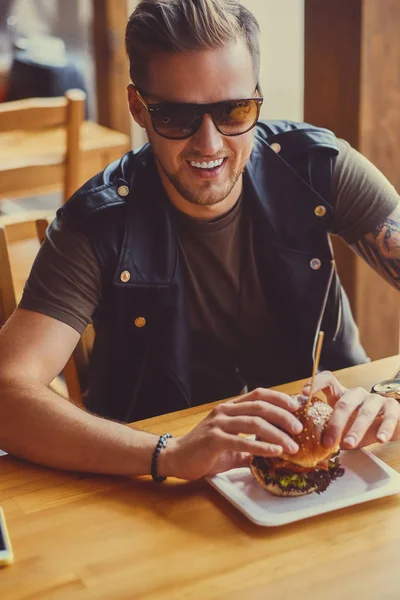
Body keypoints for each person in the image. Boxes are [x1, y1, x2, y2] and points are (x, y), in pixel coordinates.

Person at [0, 0, 399, 482]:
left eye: (233, 110)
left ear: (257, 98)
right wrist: (166, 454)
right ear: (138, 108)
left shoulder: (321, 167)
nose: (209, 144)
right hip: (167, 495)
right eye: (175, 117)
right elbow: (7, 393)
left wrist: (390, 396)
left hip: (344, 469)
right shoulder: (96, 222)